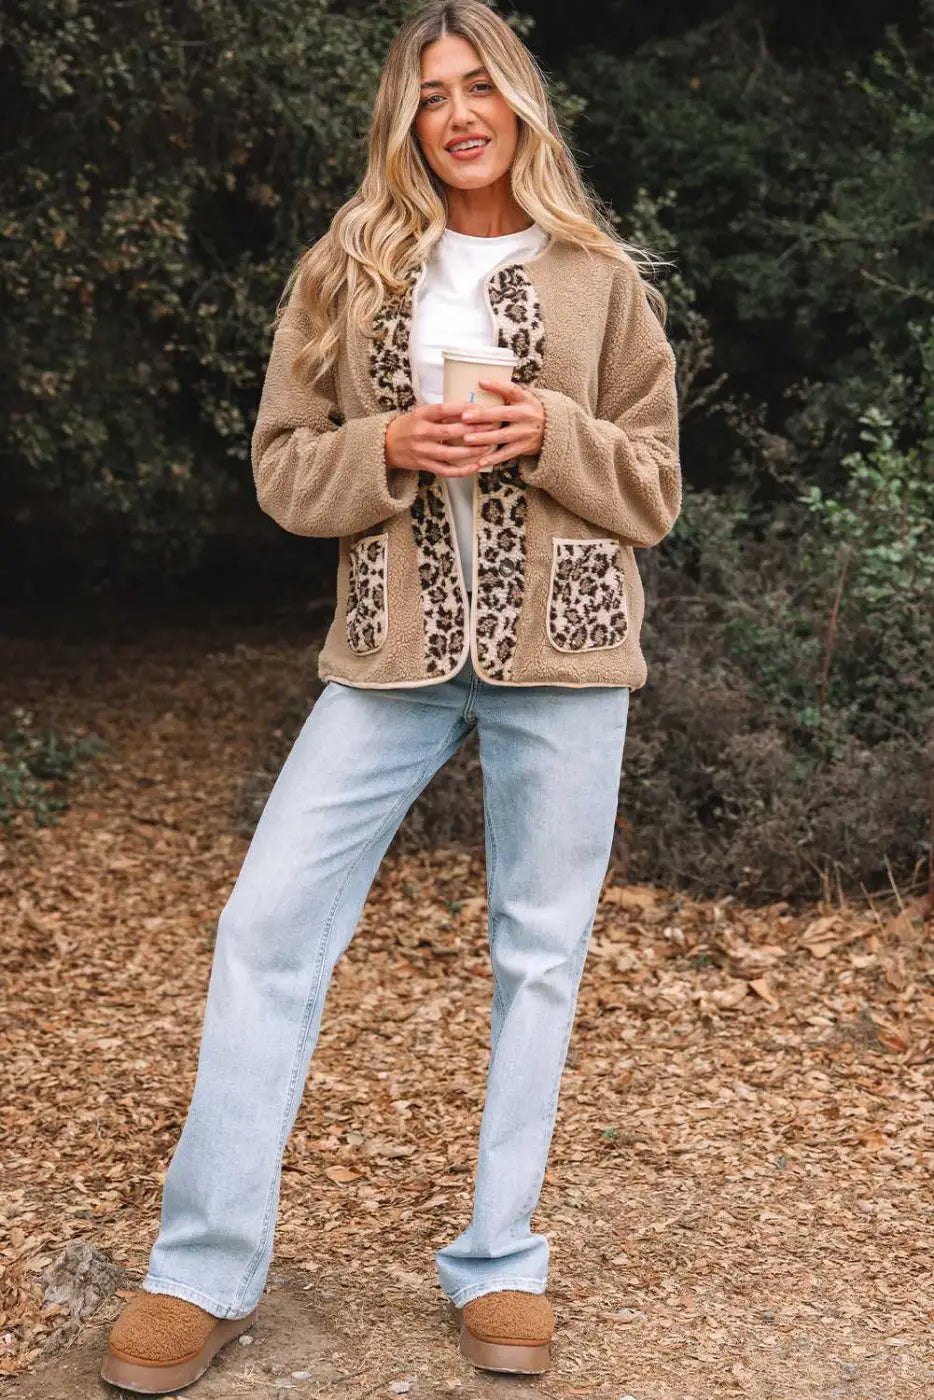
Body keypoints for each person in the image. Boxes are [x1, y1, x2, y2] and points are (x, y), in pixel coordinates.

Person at [101, 0, 680, 1389]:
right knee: (265, 926)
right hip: (385, 658)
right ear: (404, 122)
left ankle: (499, 1263)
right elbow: (284, 469)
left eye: (482, 85)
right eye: (432, 94)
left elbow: (652, 488)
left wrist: (549, 429)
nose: (460, 111)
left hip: (566, 654)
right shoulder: (344, 274)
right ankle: (202, 1265)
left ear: (522, 105)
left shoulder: (603, 282)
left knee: (537, 956)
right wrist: (390, 446)